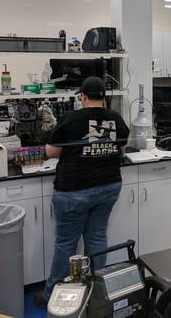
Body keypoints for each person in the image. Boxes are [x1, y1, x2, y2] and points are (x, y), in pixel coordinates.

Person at [35, 76, 129, 308]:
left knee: (66, 244)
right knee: (97, 238)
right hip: (108, 187)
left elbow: (51, 152)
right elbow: (123, 145)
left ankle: (51, 295)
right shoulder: (115, 118)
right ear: (103, 97)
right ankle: (95, 290)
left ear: (83, 97)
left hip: (74, 191)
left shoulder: (72, 118)